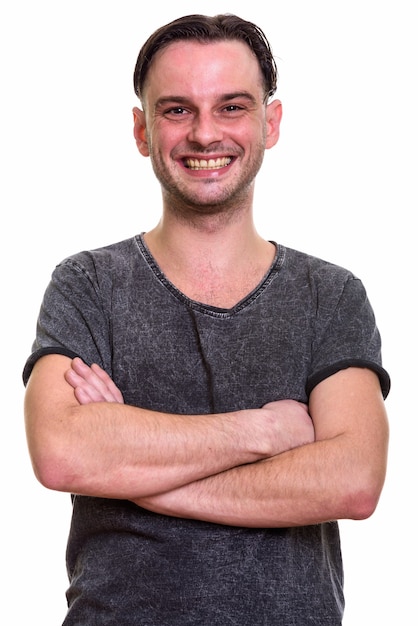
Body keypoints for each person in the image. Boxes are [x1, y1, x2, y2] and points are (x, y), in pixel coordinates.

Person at [23, 13, 390, 626]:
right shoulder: (87, 284)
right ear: (141, 130)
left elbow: (353, 480)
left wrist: (136, 473)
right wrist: (263, 434)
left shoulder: (331, 294)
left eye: (231, 107)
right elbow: (61, 451)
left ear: (269, 123)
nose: (204, 134)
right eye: (176, 110)